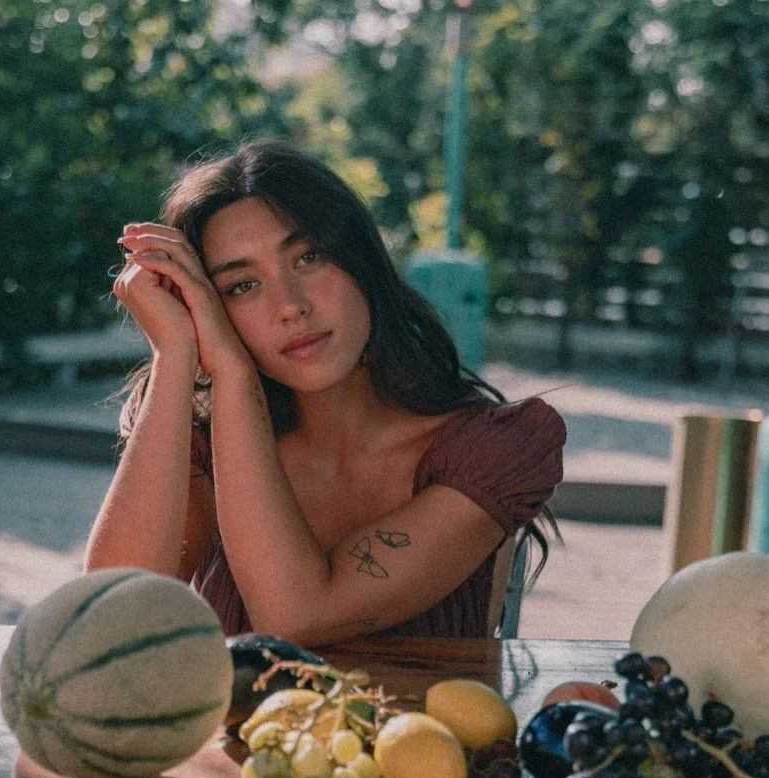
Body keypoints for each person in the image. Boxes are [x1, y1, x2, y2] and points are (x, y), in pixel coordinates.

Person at [85, 139, 566, 645]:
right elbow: (106, 616)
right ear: (212, 309)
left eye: (308, 257)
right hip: (240, 727)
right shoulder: (206, 440)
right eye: (241, 286)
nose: (291, 306)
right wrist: (176, 353)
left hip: (419, 728)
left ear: (361, 262)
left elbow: (295, 617)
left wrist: (234, 373)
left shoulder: (493, 452)